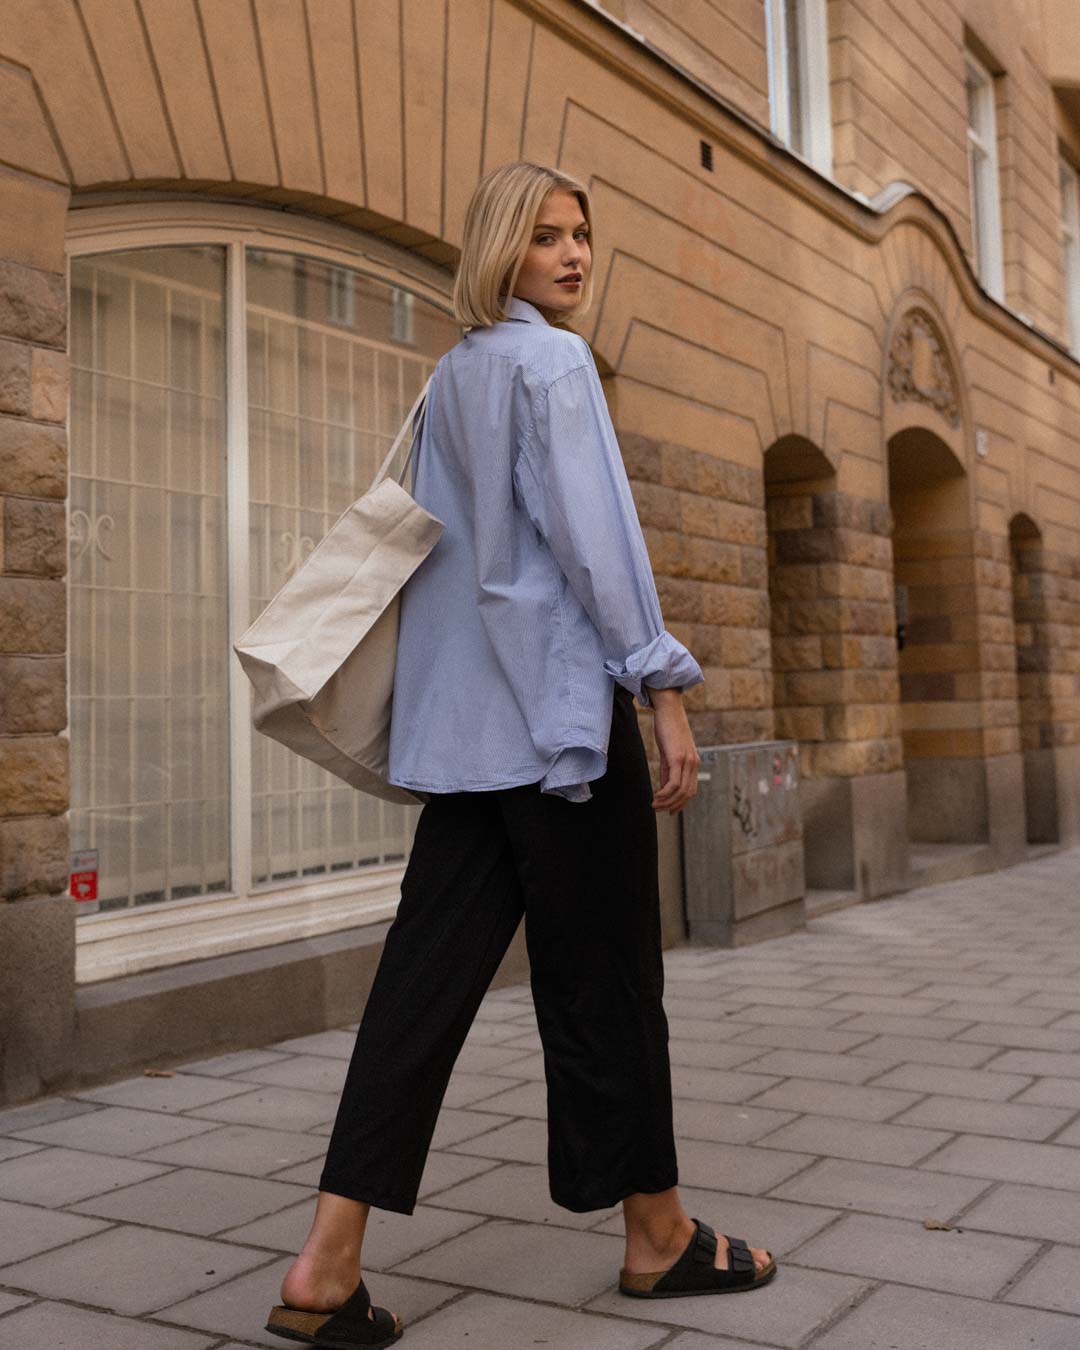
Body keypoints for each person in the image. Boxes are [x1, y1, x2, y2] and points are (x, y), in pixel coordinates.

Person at [265, 161, 775, 1348]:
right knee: (607, 988)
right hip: (556, 736)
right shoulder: (551, 364)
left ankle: (326, 1264)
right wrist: (661, 685)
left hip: (462, 741)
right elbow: (596, 547)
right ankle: (657, 1238)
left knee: (419, 994)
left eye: (584, 235)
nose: (573, 256)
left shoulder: (451, 378)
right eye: (547, 237)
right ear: (502, 249)